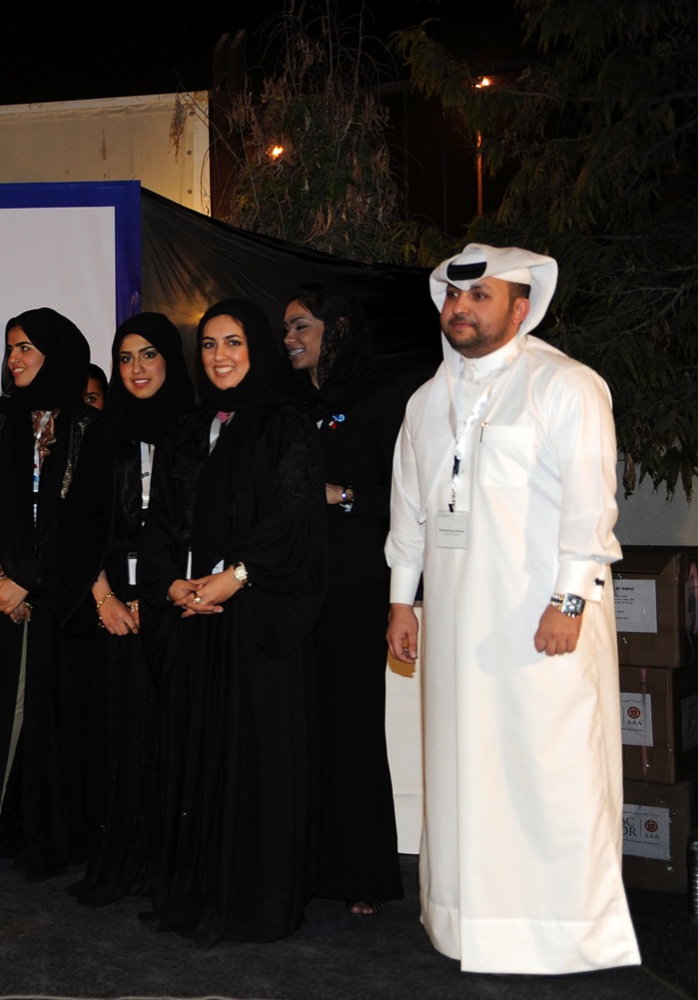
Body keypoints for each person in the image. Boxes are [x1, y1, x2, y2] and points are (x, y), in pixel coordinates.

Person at [385, 244, 639, 973]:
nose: (460, 310)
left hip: (544, 627)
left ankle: (562, 937)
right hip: (457, 632)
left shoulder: (566, 386)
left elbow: (592, 511)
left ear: (521, 308)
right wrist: (404, 601)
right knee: (463, 775)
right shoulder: (427, 400)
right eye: (454, 299)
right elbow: (412, 512)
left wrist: (568, 602)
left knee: (550, 772)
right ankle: (465, 927)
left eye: (481, 298)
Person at [142, 299, 326, 943]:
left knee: (254, 755)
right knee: (198, 752)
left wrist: (235, 576)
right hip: (194, 618)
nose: (219, 357)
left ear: (257, 351)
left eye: (234, 344)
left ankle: (253, 897)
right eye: (211, 345)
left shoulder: (286, 424)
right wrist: (171, 583)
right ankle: (198, 888)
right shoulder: (187, 429)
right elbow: (160, 517)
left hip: (255, 621)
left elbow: (295, 520)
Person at [0, 307, 111, 880]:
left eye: (26, 348)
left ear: (57, 353)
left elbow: (92, 525)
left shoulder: (91, 430)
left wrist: (35, 579)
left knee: (54, 721)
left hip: (60, 606)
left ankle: (43, 833)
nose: (15, 359)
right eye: (11, 348)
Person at [281, 284, 406, 916]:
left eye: (301, 326)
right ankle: (302, 868)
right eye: (285, 331)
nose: (290, 340)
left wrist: (341, 496)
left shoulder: (384, 405)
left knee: (352, 729)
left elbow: (406, 502)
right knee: (297, 729)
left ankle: (361, 875)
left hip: (357, 589)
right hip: (294, 588)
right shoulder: (289, 408)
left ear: (338, 329)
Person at [69, 313, 193, 907]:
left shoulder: (199, 431)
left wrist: (163, 597)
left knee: (173, 735)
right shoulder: (100, 433)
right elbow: (79, 528)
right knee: (116, 736)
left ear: (170, 359)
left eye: (148, 355)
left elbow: (206, 526)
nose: (137, 369)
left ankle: (172, 866)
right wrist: (104, 598)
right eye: (125, 358)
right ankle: (118, 860)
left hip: (178, 607)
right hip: (111, 607)